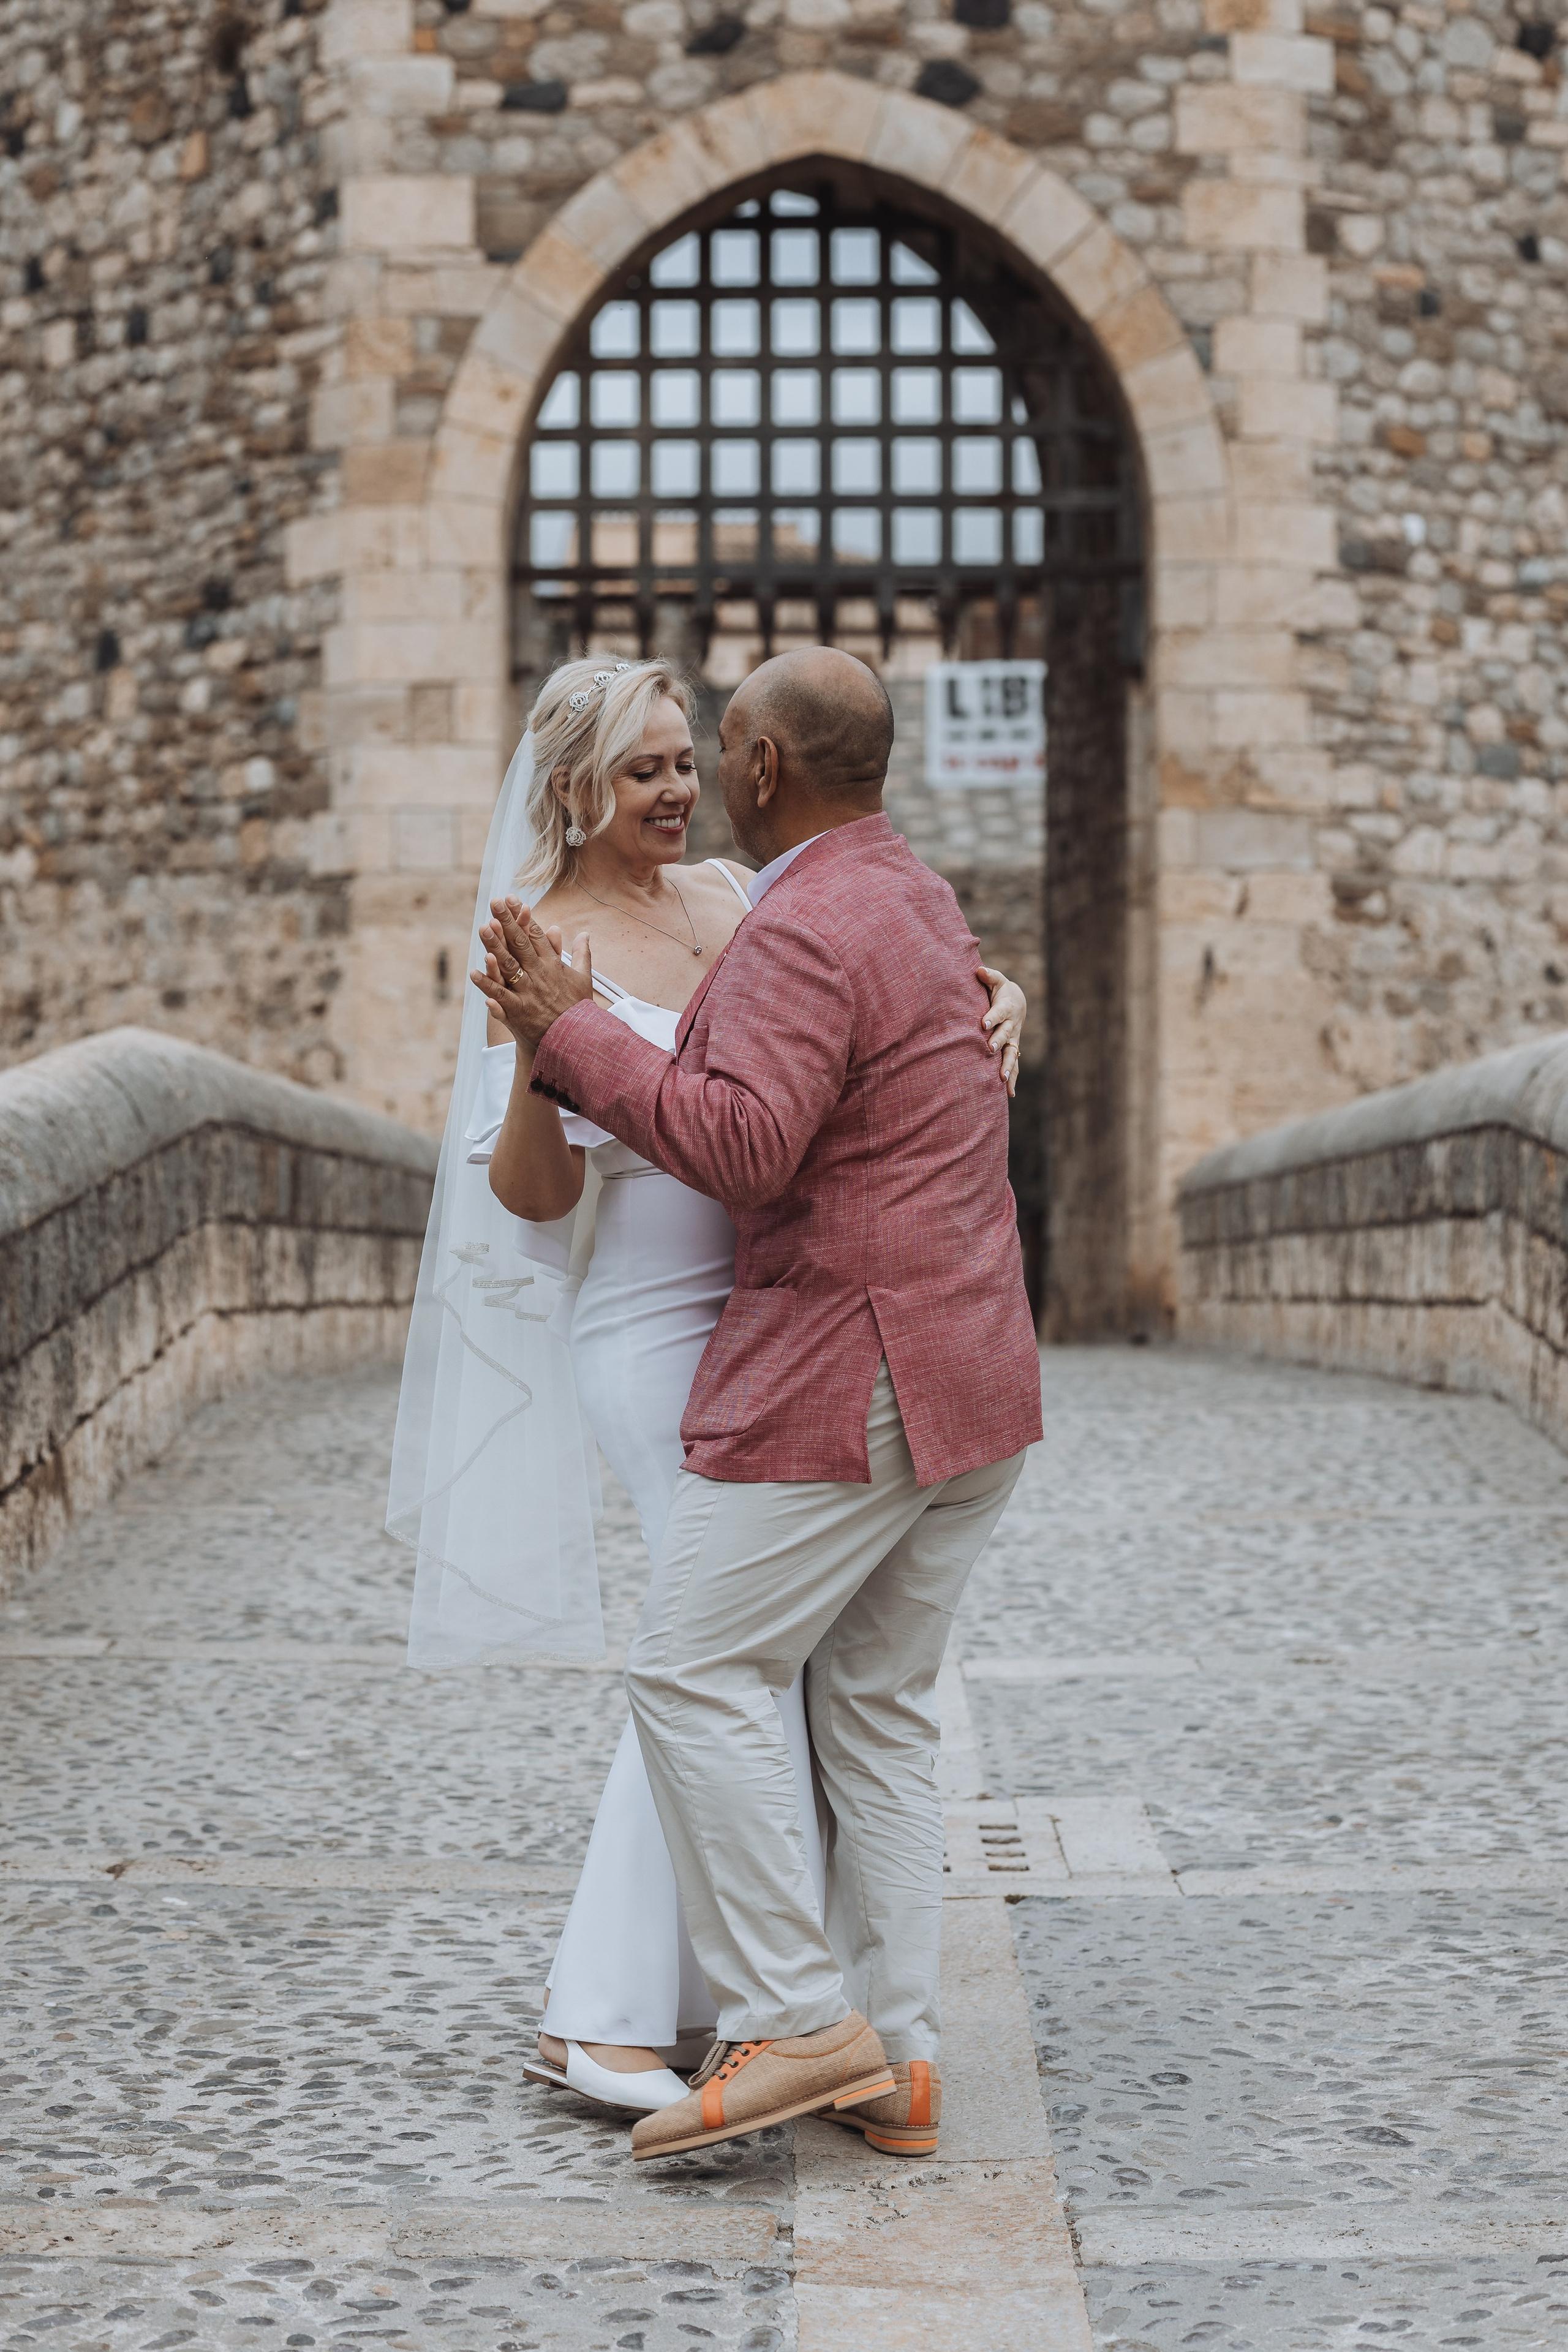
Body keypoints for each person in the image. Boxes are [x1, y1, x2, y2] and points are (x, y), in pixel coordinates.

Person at [396, 654, 1027, 2119]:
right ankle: (624, 2006)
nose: (676, 789)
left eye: (688, 760)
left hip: (781, 1322)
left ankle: (796, 2025)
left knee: (746, 1668)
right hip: (648, 1327)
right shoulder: (534, 939)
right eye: (643, 769)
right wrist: (546, 1045)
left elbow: (874, 996)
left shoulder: (749, 902)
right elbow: (534, 1199)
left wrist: (999, 993)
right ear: (572, 788)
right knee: (720, 1661)